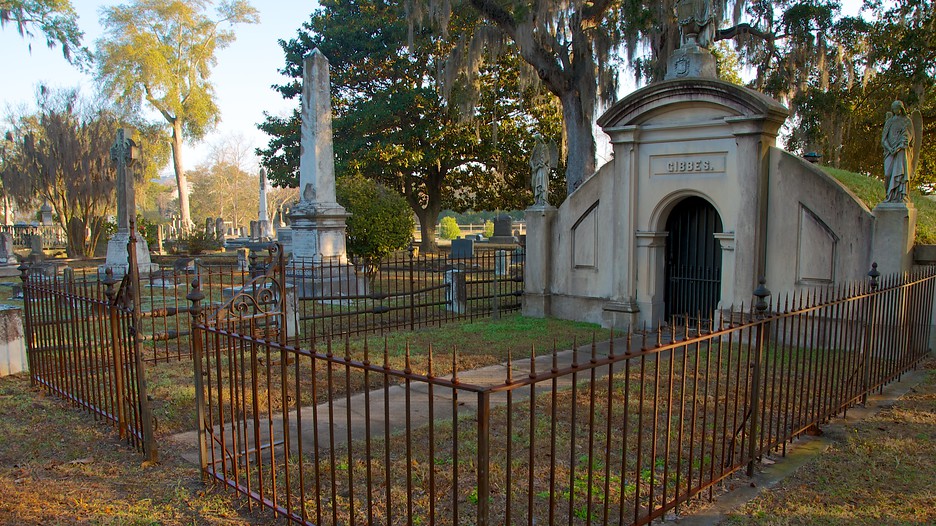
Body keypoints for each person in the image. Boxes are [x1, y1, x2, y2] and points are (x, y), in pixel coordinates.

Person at [882, 100, 915, 203]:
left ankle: (901, 196)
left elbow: (908, 136)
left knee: (900, 173)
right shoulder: (890, 121)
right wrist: (890, 148)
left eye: (896, 108)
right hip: (890, 151)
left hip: (901, 152)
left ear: (901, 109)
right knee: (888, 174)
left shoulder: (906, 121)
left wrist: (899, 147)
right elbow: (884, 139)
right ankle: (889, 195)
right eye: (893, 109)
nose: (895, 111)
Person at [530, 134, 549, 206]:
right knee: (534, 184)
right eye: (535, 140)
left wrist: (540, 164)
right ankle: (537, 201)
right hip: (536, 169)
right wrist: (533, 167)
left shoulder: (544, 147)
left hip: (542, 168)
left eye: (537, 139)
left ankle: (543, 200)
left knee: (541, 183)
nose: (536, 141)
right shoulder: (535, 148)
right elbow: (531, 160)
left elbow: (546, 159)